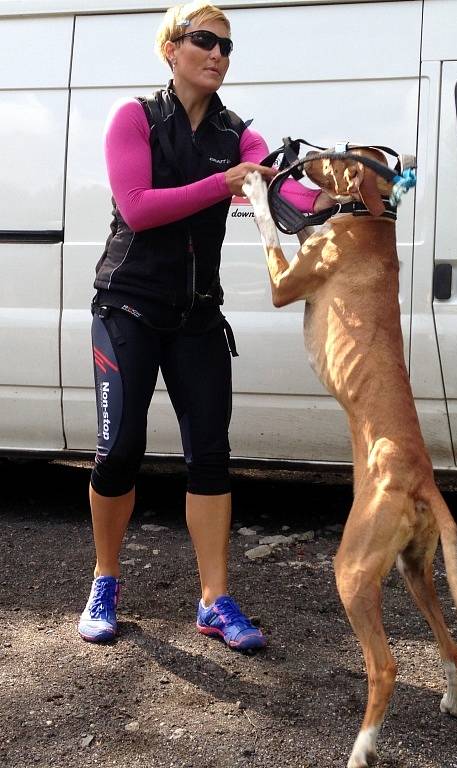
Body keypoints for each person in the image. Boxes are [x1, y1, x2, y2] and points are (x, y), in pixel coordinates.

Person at [78, 1, 330, 651]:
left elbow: (277, 190)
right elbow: (137, 209)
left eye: (225, 45)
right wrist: (225, 185)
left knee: (211, 457)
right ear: (171, 49)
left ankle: (215, 601)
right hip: (126, 307)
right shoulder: (132, 118)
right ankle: (105, 580)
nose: (217, 53)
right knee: (119, 451)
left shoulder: (236, 134)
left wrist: (337, 194)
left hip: (195, 316)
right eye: (203, 40)